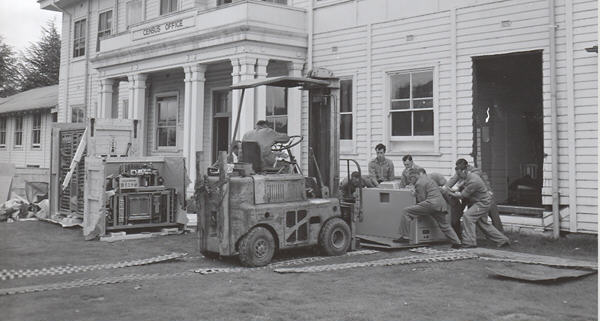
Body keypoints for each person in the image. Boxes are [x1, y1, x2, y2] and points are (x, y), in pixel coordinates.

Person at [394, 168, 462, 248]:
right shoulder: (428, 179)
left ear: (414, 176)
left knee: (406, 211)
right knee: (444, 225)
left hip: (431, 204)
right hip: (440, 205)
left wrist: (414, 194)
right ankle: (457, 242)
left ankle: (405, 237)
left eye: (410, 179)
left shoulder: (419, 183)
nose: (410, 181)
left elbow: (422, 199)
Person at [446, 164, 510, 248]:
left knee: (467, 216)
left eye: (459, 174)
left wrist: (449, 193)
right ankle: (503, 240)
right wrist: (451, 189)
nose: (458, 176)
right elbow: (459, 187)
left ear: (464, 171)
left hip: (482, 203)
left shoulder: (473, 180)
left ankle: (470, 242)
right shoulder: (467, 176)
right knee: (483, 224)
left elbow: (462, 195)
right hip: (480, 202)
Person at [442, 158, 503, 236]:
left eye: (461, 169)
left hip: (485, 196)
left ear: (466, 167)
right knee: (466, 215)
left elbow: (467, 182)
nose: (459, 171)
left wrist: (456, 188)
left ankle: (500, 232)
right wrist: (445, 188)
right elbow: (453, 180)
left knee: (493, 215)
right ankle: (467, 234)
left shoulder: (475, 172)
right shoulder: (460, 170)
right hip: (469, 195)